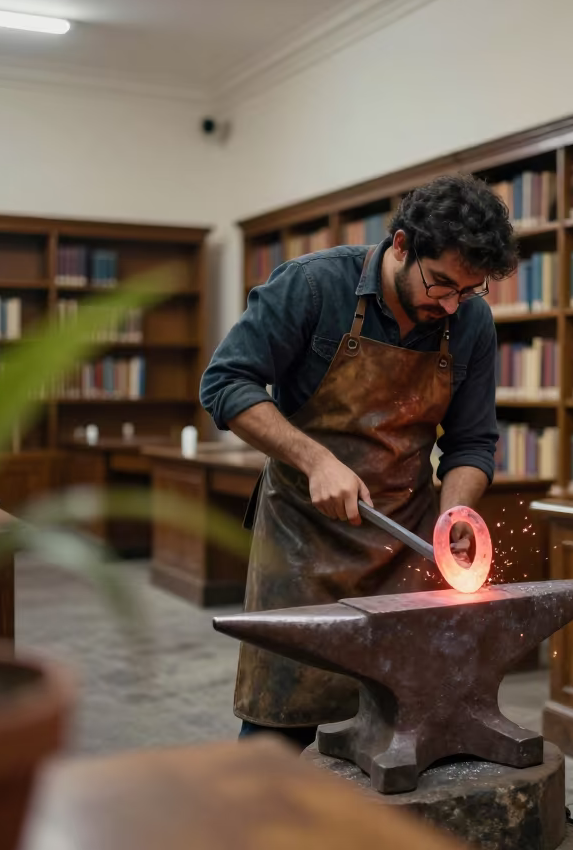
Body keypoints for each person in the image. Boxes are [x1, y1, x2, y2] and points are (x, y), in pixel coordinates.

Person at [199, 173, 518, 749]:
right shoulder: (314, 286)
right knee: (279, 722)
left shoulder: (469, 323)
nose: (449, 304)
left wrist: (455, 520)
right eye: (440, 283)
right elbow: (225, 383)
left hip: (405, 540)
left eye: (467, 291)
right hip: (302, 542)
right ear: (401, 245)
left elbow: (471, 441)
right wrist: (314, 459)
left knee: (410, 720)